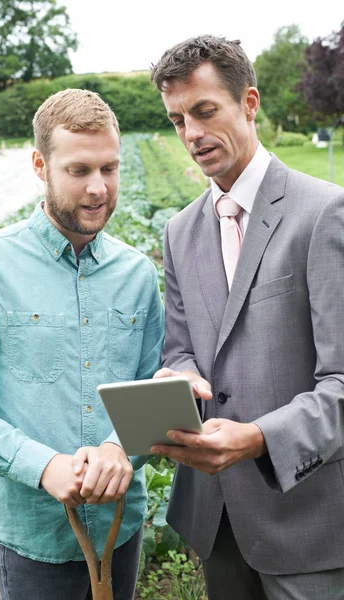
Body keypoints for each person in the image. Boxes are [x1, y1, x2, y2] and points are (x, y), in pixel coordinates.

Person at [0, 88, 164, 600]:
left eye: (109, 169)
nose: (98, 188)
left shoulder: (136, 272)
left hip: (120, 528)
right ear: (41, 165)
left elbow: (156, 385)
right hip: (30, 538)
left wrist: (118, 447)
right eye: (79, 170)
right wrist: (42, 466)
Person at [149, 35, 344, 599]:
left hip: (308, 524)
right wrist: (181, 375)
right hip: (217, 522)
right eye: (177, 120)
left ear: (249, 102)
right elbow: (180, 347)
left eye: (205, 111)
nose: (191, 135)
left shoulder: (324, 213)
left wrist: (258, 437)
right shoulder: (180, 230)